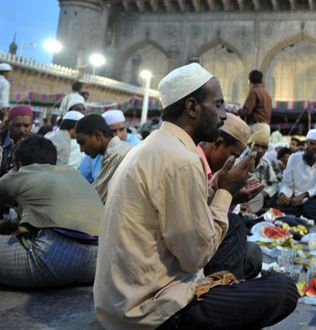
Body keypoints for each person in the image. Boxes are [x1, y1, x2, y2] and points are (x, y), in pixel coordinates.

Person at [94, 63, 297, 329]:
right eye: (218, 106)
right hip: (153, 313)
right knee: (283, 289)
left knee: (242, 242)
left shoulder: (157, 145)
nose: (224, 116)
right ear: (192, 108)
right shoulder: (182, 160)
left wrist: (228, 195)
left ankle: (225, 291)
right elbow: (194, 258)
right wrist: (225, 192)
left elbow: (185, 220)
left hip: (120, 304)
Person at [0, 135, 102, 288]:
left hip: (53, 257)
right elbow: (42, 219)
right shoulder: (72, 173)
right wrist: (10, 224)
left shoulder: (24, 173)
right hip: (98, 263)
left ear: (19, 164)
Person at [197, 113, 265, 280]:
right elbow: (199, 225)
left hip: (202, 245)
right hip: (192, 253)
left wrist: (231, 196)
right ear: (218, 143)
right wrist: (228, 194)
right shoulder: (192, 165)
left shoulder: (213, 170)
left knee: (252, 255)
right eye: (234, 154)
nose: (234, 160)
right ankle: (223, 289)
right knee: (235, 224)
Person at [75, 114, 134, 203]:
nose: (81, 149)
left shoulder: (116, 155)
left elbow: (96, 198)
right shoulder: (119, 150)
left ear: (97, 136)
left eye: (82, 143)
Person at [276, 129, 316, 216]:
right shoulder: (294, 158)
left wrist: (305, 195)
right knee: (276, 201)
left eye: (312, 144)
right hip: (294, 199)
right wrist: (283, 194)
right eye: (306, 143)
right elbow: (287, 183)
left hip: (314, 199)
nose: (307, 147)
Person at [246, 129, 282, 213]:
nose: (260, 150)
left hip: (259, 198)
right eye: (257, 146)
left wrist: (264, 193)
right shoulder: (239, 162)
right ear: (250, 145)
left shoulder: (266, 163)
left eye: (264, 147)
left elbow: (275, 184)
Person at [0, 105, 34, 177]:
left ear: (32, 124)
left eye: (26, 126)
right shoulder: (1, 141)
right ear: (7, 123)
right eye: (17, 125)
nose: (22, 130)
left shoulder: (36, 144)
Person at [236, 69, 272, 134]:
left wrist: (236, 111)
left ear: (249, 81)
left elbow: (246, 111)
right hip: (266, 128)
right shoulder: (267, 94)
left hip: (256, 127)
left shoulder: (253, 92)